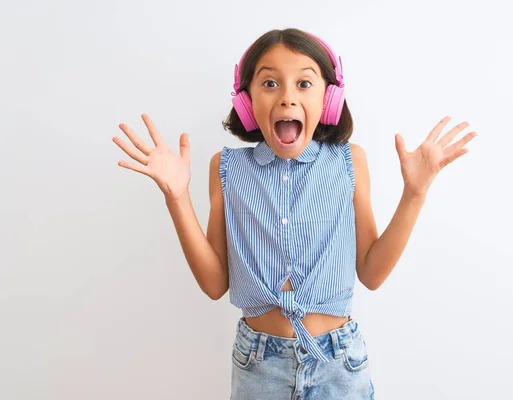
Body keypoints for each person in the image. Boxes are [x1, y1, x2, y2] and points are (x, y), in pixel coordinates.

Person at [112, 28, 476, 399]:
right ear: (246, 100)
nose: (287, 97)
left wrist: (414, 194)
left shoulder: (350, 162)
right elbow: (214, 283)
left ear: (329, 99)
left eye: (304, 83)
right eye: (269, 83)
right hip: (258, 365)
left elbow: (371, 272)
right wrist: (177, 197)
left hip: (338, 362)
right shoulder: (226, 168)